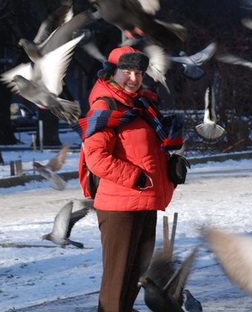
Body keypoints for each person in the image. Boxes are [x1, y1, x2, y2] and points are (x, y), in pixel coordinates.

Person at [74, 45, 185, 312]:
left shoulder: (143, 105)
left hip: (144, 202)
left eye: (138, 72)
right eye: (127, 72)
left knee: (135, 277)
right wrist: (137, 178)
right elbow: (97, 158)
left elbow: (147, 149)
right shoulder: (106, 106)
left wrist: (170, 166)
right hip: (119, 207)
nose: (134, 79)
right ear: (112, 72)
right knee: (117, 280)